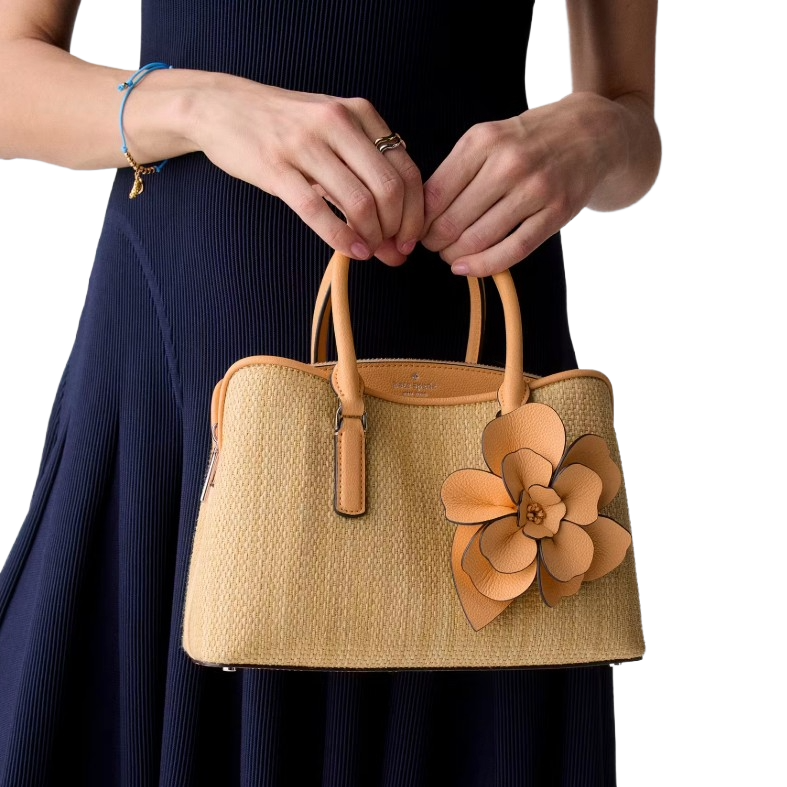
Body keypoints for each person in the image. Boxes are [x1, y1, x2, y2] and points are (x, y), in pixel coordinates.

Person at [0, 0, 660, 783]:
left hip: (488, 407)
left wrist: (596, 130)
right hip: (187, 386)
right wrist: (199, 105)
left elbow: (629, 116)